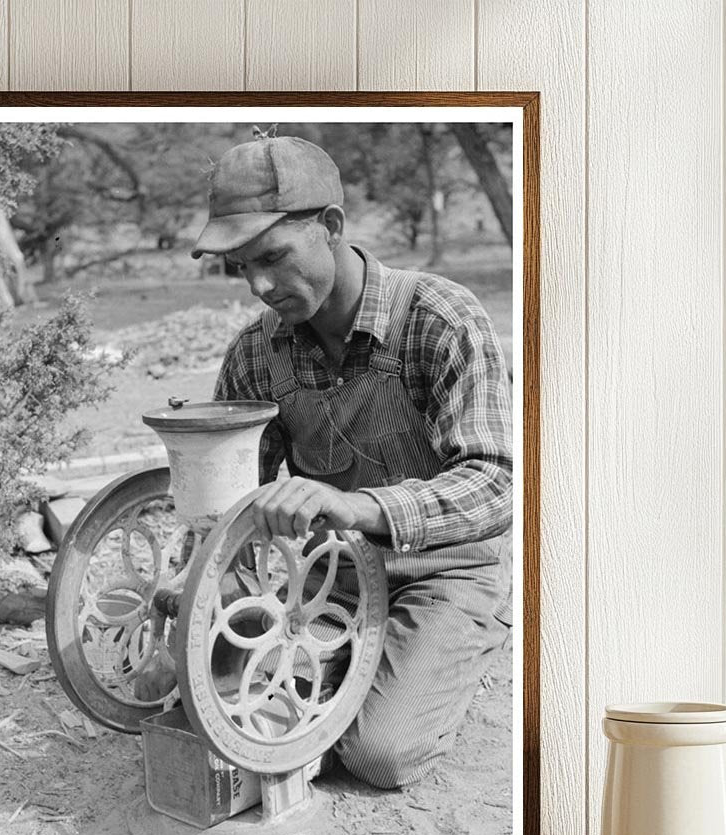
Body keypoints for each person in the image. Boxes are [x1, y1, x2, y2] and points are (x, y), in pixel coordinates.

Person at [190, 130, 513, 791]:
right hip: (329, 578)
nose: (259, 284)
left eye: (272, 256)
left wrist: (359, 508)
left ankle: (459, 642)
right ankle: (347, 664)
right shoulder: (255, 355)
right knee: (197, 694)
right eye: (240, 267)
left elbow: (495, 482)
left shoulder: (438, 318)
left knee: (380, 754)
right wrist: (199, 583)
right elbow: (233, 502)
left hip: (442, 573)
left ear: (331, 226)